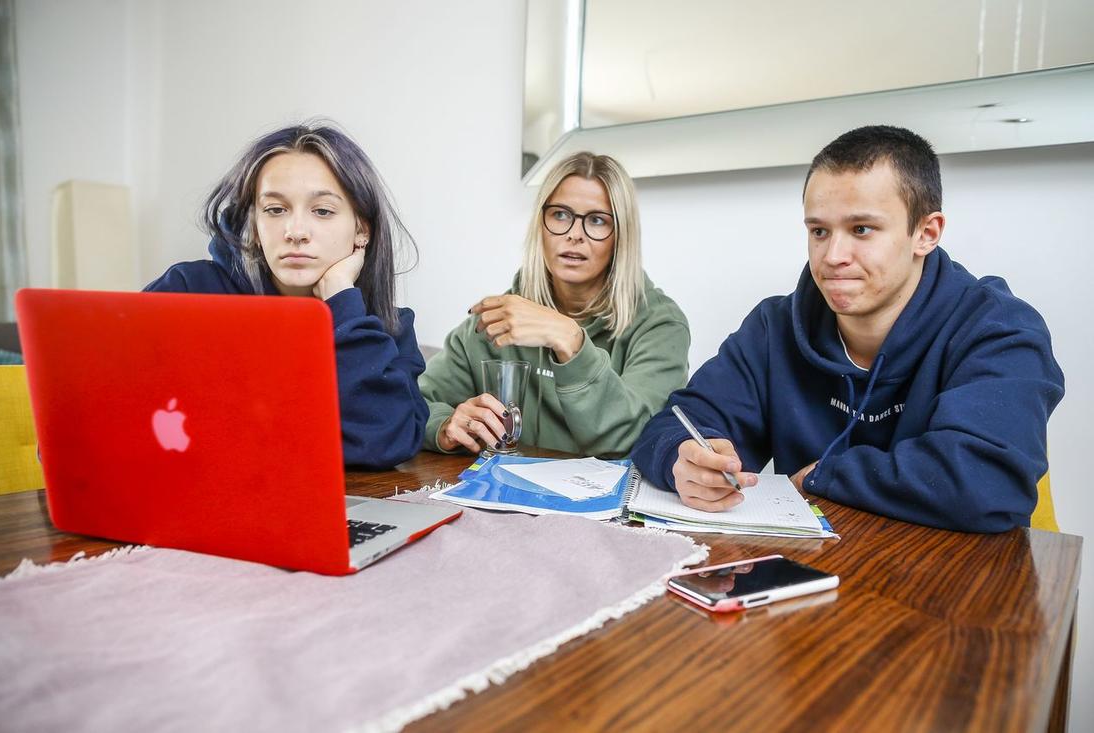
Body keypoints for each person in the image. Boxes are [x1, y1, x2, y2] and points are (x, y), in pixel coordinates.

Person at [631, 125, 1064, 533]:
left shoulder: (999, 328)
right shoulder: (774, 327)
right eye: (819, 230)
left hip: (960, 584)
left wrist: (825, 477)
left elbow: (985, 483)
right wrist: (682, 459)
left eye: (861, 229)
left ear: (926, 233)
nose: (833, 255)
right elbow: (676, 424)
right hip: (824, 580)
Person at [146, 122, 427, 468]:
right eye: (275, 210)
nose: (295, 232)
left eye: (322, 211)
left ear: (361, 229)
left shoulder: (389, 328)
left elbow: (384, 444)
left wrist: (342, 301)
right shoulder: (188, 291)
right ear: (255, 222)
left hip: (329, 512)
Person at [420, 152, 690, 457]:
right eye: (560, 215)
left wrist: (569, 339)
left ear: (621, 236)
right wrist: (444, 427)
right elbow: (414, 404)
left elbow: (634, 441)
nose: (575, 235)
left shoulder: (660, 326)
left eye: (597, 221)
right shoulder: (500, 319)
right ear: (541, 224)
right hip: (506, 499)